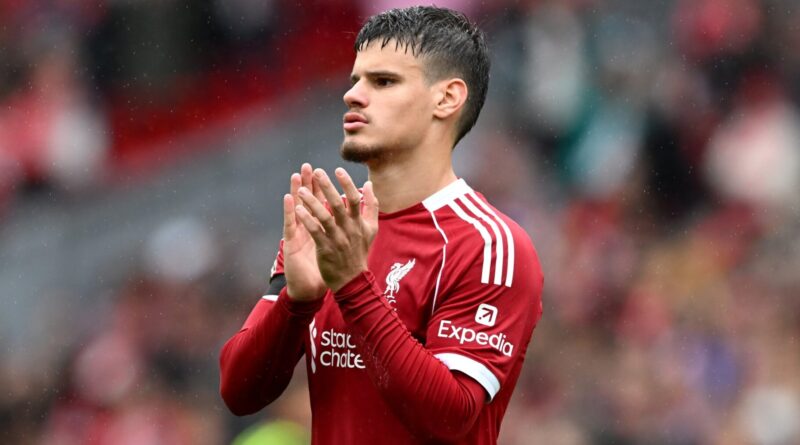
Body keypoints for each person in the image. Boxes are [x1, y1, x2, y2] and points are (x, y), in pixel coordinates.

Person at [219, 6, 544, 444]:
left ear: (447, 98)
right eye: (355, 80)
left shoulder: (489, 245)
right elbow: (239, 391)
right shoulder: (330, 228)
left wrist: (352, 285)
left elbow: (450, 417)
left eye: (383, 81)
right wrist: (297, 302)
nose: (353, 95)